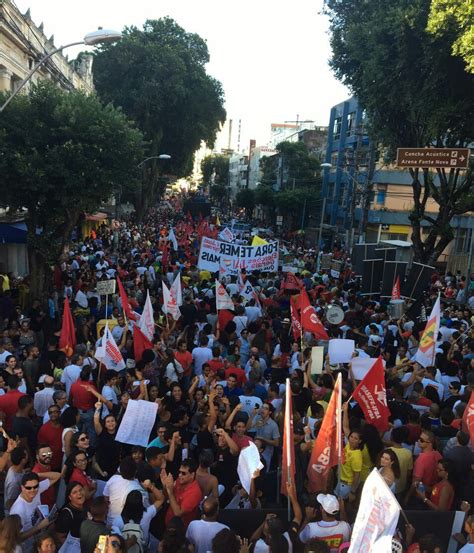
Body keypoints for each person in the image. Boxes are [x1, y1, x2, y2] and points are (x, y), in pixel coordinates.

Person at [10, 472, 58, 551]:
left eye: (35, 486)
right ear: (22, 487)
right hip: (26, 547)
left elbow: (57, 476)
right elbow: (17, 537)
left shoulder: (37, 490)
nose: (32, 490)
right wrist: (39, 526)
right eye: (28, 488)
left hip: (37, 539)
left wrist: (38, 474)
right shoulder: (18, 510)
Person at [162, 458, 203, 529]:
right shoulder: (179, 481)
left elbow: (178, 513)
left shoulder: (195, 492)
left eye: (183, 473)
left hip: (180, 531)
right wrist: (165, 486)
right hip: (169, 524)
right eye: (179, 472)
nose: (180, 475)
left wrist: (170, 492)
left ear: (192, 475)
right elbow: (167, 496)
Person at [103, 456, 143, 526]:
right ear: (135, 471)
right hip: (125, 527)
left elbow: (106, 499)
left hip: (110, 522)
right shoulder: (138, 489)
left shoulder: (113, 479)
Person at [55, 481, 87, 552]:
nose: (79, 493)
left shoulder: (85, 506)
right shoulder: (66, 514)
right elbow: (60, 537)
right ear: (70, 497)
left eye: (80, 490)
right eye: (74, 492)